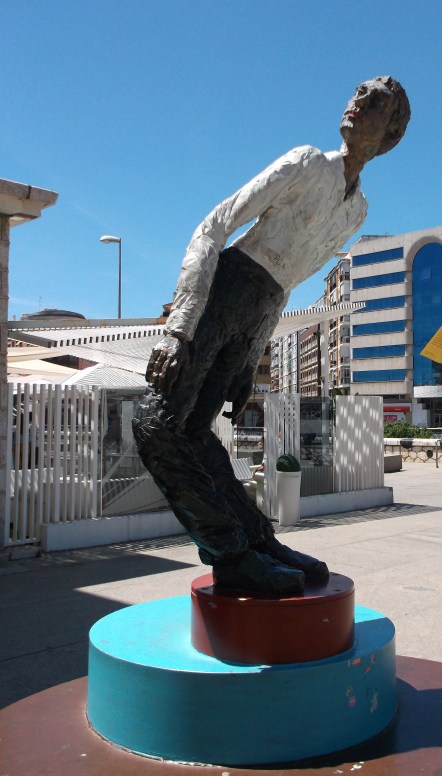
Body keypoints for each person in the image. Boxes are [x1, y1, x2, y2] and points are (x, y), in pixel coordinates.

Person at [133, 76, 411, 595]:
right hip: (223, 289)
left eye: (375, 103)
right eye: (358, 92)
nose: (357, 102)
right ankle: (230, 551)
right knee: (156, 425)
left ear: (389, 133)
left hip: (258, 306)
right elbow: (213, 225)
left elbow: (288, 281)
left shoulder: (357, 211)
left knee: (193, 433)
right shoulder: (307, 161)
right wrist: (180, 327)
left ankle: (259, 541)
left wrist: (250, 354)